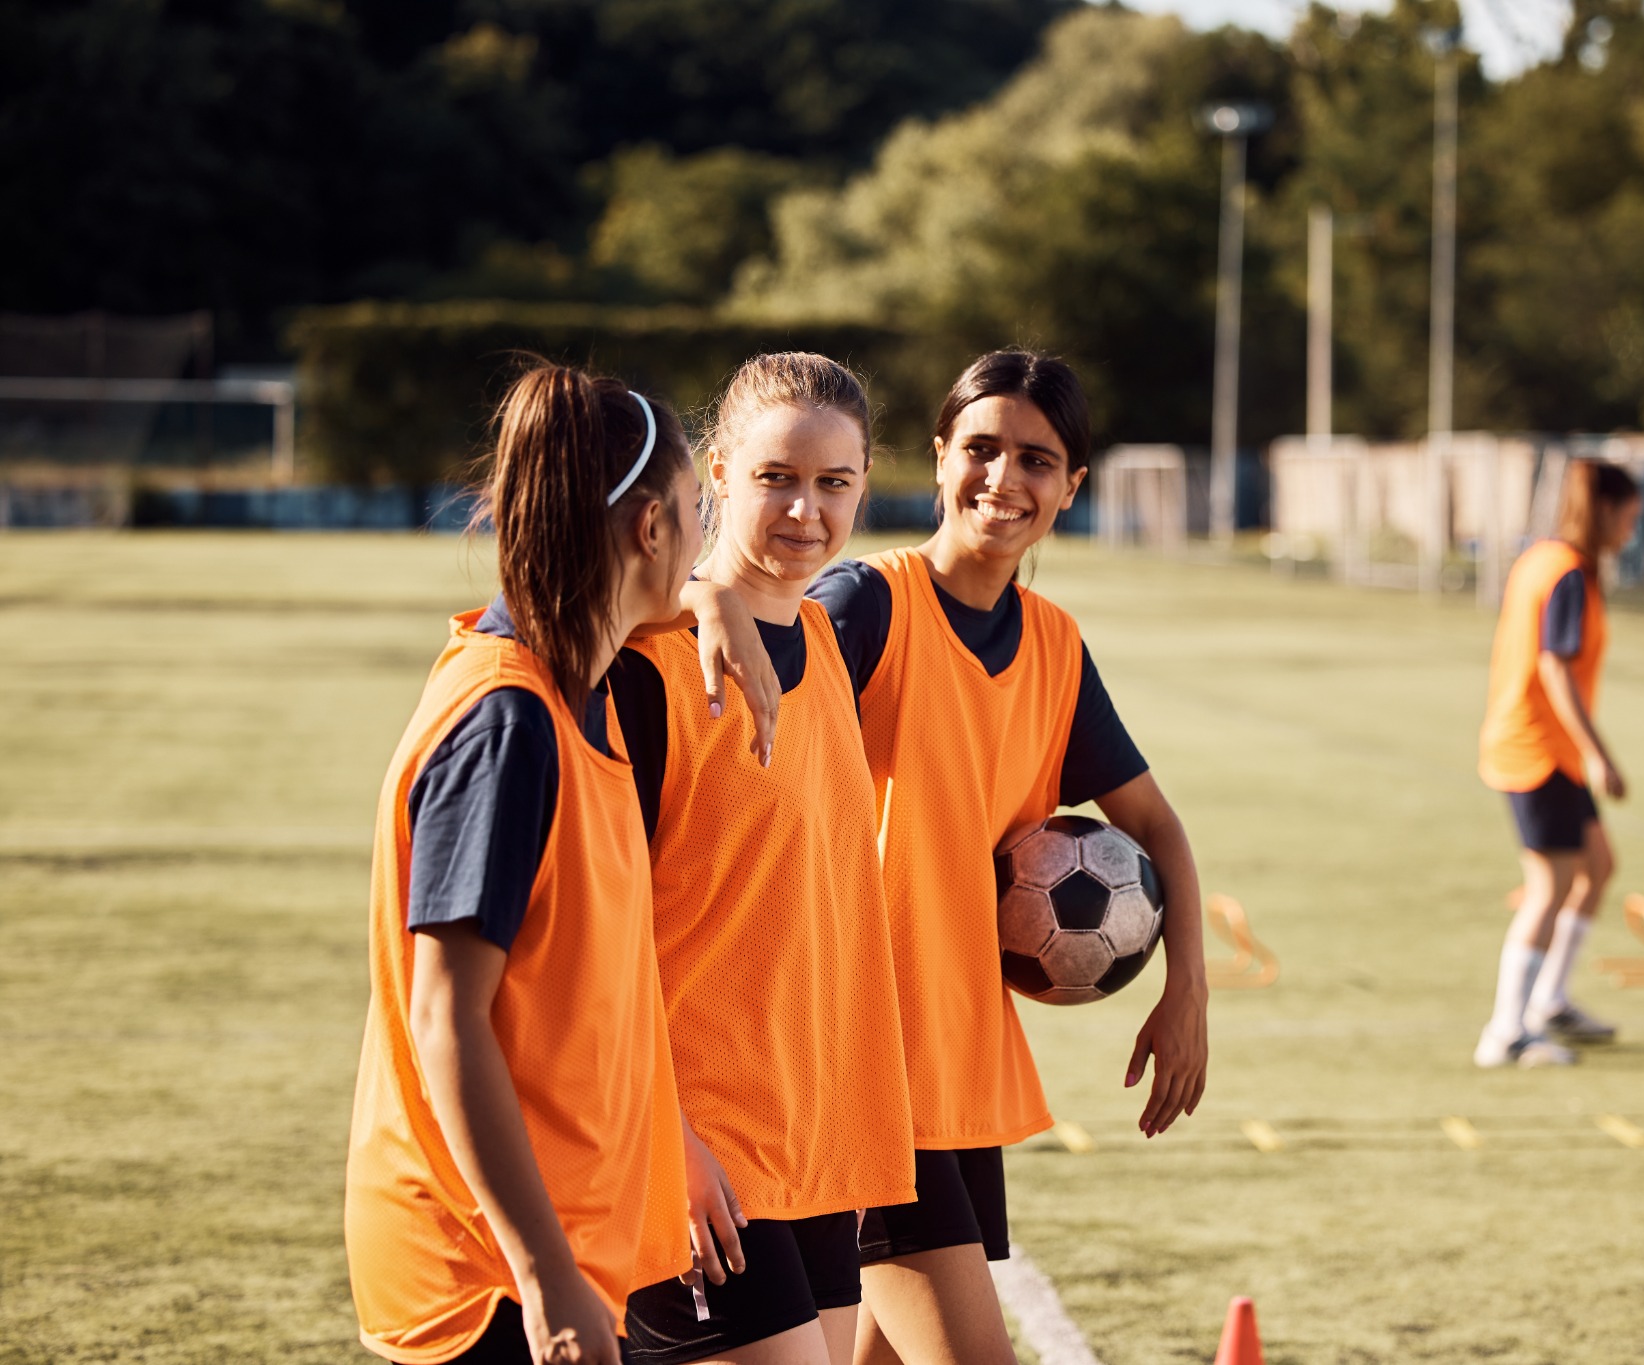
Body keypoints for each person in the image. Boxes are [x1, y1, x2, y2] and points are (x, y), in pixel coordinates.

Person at [345, 363, 777, 1365]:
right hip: (488, 1273)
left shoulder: (577, 680)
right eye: (696, 511)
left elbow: (670, 601)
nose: (709, 537)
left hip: (554, 1248)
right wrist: (543, 1276)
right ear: (648, 531)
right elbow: (446, 1018)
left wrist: (713, 605)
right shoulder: (508, 724)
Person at [807, 350, 1211, 1365]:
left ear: (1070, 487)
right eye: (979, 449)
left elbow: (1158, 829)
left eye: (1036, 459)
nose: (1003, 478)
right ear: (938, 456)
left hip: (951, 1054)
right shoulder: (862, 604)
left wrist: (1186, 989)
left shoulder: (1054, 646)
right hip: (854, 1054)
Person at [615, 353, 916, 1365]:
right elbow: (587, 943)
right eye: (775, 478)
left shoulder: (827, 643)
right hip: (694, 1149)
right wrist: (669, 1141)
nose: (805, 511)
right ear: (715, 474)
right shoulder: (652, 666)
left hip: (815, 1141)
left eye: (834, 484)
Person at [1473, 459, 1643, 1069]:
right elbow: (1554, 667)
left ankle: (1549, 1001)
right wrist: (1601, 757)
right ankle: (1505, 1032)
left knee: (1597, 866)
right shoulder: (1567, 572)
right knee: (1551, 887)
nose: (1631, 531)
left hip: (1549, 749)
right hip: (1538, 751)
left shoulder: (1542, 557)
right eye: (1628, 517)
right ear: (1604, 511)